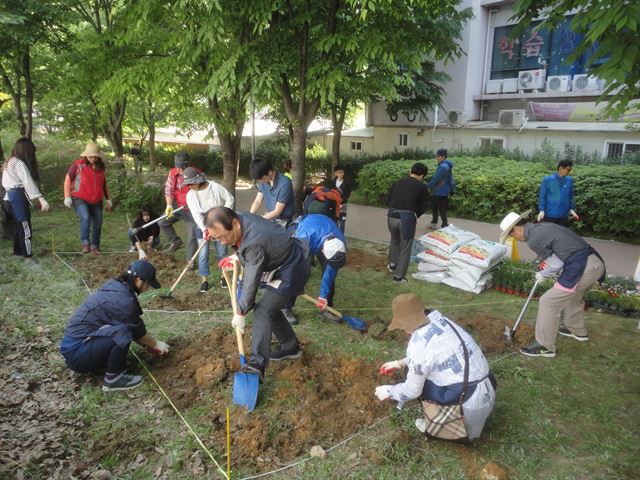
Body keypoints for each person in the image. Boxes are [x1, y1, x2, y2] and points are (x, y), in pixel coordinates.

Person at [206, 208, 310, 382]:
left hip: (291, 268)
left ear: (234, 223)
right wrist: (237, 256)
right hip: (279, 258)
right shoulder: (238, 216)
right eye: (217, 239)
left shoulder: (255, 242)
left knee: (263, 310)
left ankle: (256, 365)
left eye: (223, 236)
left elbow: (250, 281)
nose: (223, 242)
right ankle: (291, 347)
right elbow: (244, 245)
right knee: (272, 310)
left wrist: (241, 312)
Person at [375, 293, 496, 441]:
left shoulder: (418, 343)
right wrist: (398, 363)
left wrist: (389, 391)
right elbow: (434, 355)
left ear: (405, 324)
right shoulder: (443, 322)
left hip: (467, 403)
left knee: (414, 377)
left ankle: (441, 425)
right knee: (414, 369)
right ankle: (453, 418)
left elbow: (412, 390)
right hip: (487, 389)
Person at [499, 210, 606, 358]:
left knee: (548, 302)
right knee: (574, 296)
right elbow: (558, 253)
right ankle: (576, 330)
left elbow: (556, 263)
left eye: (511, 235)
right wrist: (544, 267)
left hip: (583, 267)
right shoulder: (542, 227)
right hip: (594, 264)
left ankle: (545, 346)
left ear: (517, 229)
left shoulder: (533, 239)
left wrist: (542, 275)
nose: (514, 238)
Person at [59, 260, 170, 391]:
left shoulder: (116, 286)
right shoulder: (124, 301)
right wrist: (156, 345)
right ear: (138, 280)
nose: (148, 288)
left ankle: (107, 361)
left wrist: (148, 345)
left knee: (124, 328)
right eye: (148, 284)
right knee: (123, 331)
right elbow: (138, 331)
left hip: (75, 347)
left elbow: (135, 329)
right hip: (78, 353)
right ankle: (113, 379)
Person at [182, 167, 235, 293]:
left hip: (219, 222)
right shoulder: (190, 195)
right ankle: (204, 280)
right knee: (203, 253)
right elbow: (196, 214)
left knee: (222, 251)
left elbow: (230, 199)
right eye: (187, 184)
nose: (189, 186)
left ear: (198, 180)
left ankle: (224, 277)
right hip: (203, 225)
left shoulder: (215, 187)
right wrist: (205, 229)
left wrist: (223, 215)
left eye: (191, 183)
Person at [1, 138, 50, 261]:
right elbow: (27, 182)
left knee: (19, 228)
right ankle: (28, 258)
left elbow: (6, 183)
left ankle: (17, 254)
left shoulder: (8, 162)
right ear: (26, 151)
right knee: (25, 229)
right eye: (32, 152)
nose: (33, 155)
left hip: (8, 200)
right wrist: (41, 199)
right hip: (16, 198)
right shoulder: (18, 163)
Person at [293, 214, 347, 323]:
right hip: (310, 227)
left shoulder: (340, 244)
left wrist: (323, 297)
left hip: (325, 228)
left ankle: (327, 307)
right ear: (323, 252)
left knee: (330, 274)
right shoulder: (304, 238)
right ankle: (286, 307)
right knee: (294, 273)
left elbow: (330, 273)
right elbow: (292, 261)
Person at [63, 143, 112, 254]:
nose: (93, 159)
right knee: (85, 217)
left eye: (95, 157)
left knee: (98, 222)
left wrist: (108, 199)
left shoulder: (101, 168)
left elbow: (104, 185)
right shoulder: (77, 165)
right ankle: (85, 243)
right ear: (86, 156)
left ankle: (95, 246)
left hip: (96, 200)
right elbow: (68, 180)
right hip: (80, 198)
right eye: (90, 156)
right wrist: (67, 196)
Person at [386, 162, 429, 283]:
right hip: (406, 219)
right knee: (406, 246)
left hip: (391, 216)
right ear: (422, 175)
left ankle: (393, 264)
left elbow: (388, 200)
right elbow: (423, 207)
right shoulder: (422, 187)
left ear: (411, 171)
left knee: (394, 241)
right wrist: (414, 215)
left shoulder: (397, 182)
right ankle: (399, 277)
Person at [158, 151, 200, 259]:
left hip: (192, 210)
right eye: (178, 167)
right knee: (162, 222)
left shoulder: (195, 173)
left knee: (192, 236)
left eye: (182, 168)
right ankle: (176, 242)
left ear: (187, 165)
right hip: (178, 206)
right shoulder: (173, 173)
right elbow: (169, 189)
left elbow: (200, 192)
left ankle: (190, 262)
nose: (179, 170)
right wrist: (169, 205)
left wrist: (192, 203)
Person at [249, 158, 294, 227]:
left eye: (261, 179)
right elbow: (258, 201)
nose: (260, 182)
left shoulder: (285, 183)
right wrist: (250, 216)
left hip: (284, 221)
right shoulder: (263, 181)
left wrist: (259, 220)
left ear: (269, 172)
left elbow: (277, 211)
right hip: (271, 217)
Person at [537, 160, 578, 227]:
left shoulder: (569, 180)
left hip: (563, 215)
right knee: (549, 235)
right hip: (550, 215)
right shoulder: (549, 180)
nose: (569, 172)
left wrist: (571, 209)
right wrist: (541, 210)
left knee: (561, 235)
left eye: (570, 169)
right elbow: (542, 196)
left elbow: (570, 196)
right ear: (560, 168)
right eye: (568, 169)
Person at [427, 148, 454, 229]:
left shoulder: (443, 166)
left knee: (438, 207)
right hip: (443, 190)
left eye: (438, 156)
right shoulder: (447, 166)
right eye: (436, 155)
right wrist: (452, 189)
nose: (436, 157)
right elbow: (451, 179)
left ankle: (441, 224)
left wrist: (427, 185)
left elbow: (436, 178)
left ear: (443, 156)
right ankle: (439, 223)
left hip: (439, 191)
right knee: (438, 207)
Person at [330, 165, 352, 233]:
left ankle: (341, 235)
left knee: (342, 221)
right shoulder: (332, 182)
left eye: (342, 172)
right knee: (335, 220)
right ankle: (335, 234)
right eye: (339, 172)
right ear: (336, 173)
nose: (341, 174)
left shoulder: (347, 183)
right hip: (334, 204)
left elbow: (347, 194)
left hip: (343, 204)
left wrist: (341, 202)